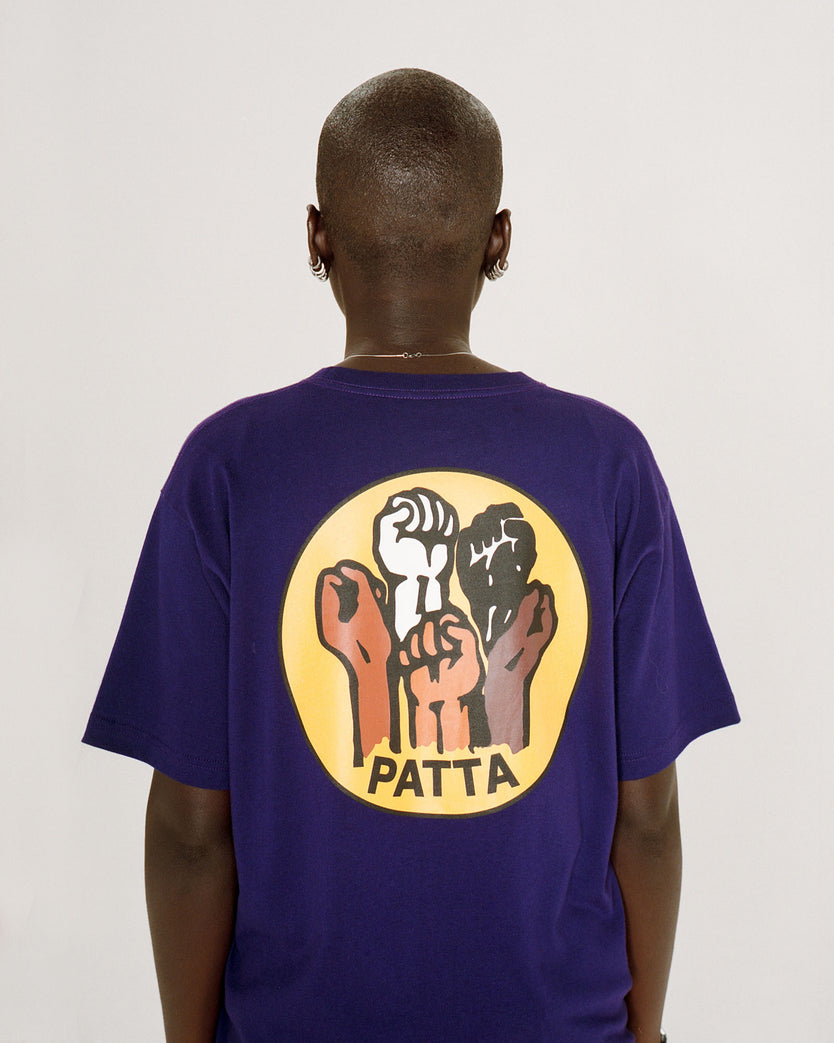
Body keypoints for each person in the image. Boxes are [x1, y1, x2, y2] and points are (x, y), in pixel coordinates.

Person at [83, 68, 739, 1043]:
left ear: (316, 238)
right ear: (500, 241)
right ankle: (473, 682)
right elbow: (645, 813)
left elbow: (189, 830)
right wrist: (642, 1034)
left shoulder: (231, 465)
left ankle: (385, 674)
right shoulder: (605, 461)